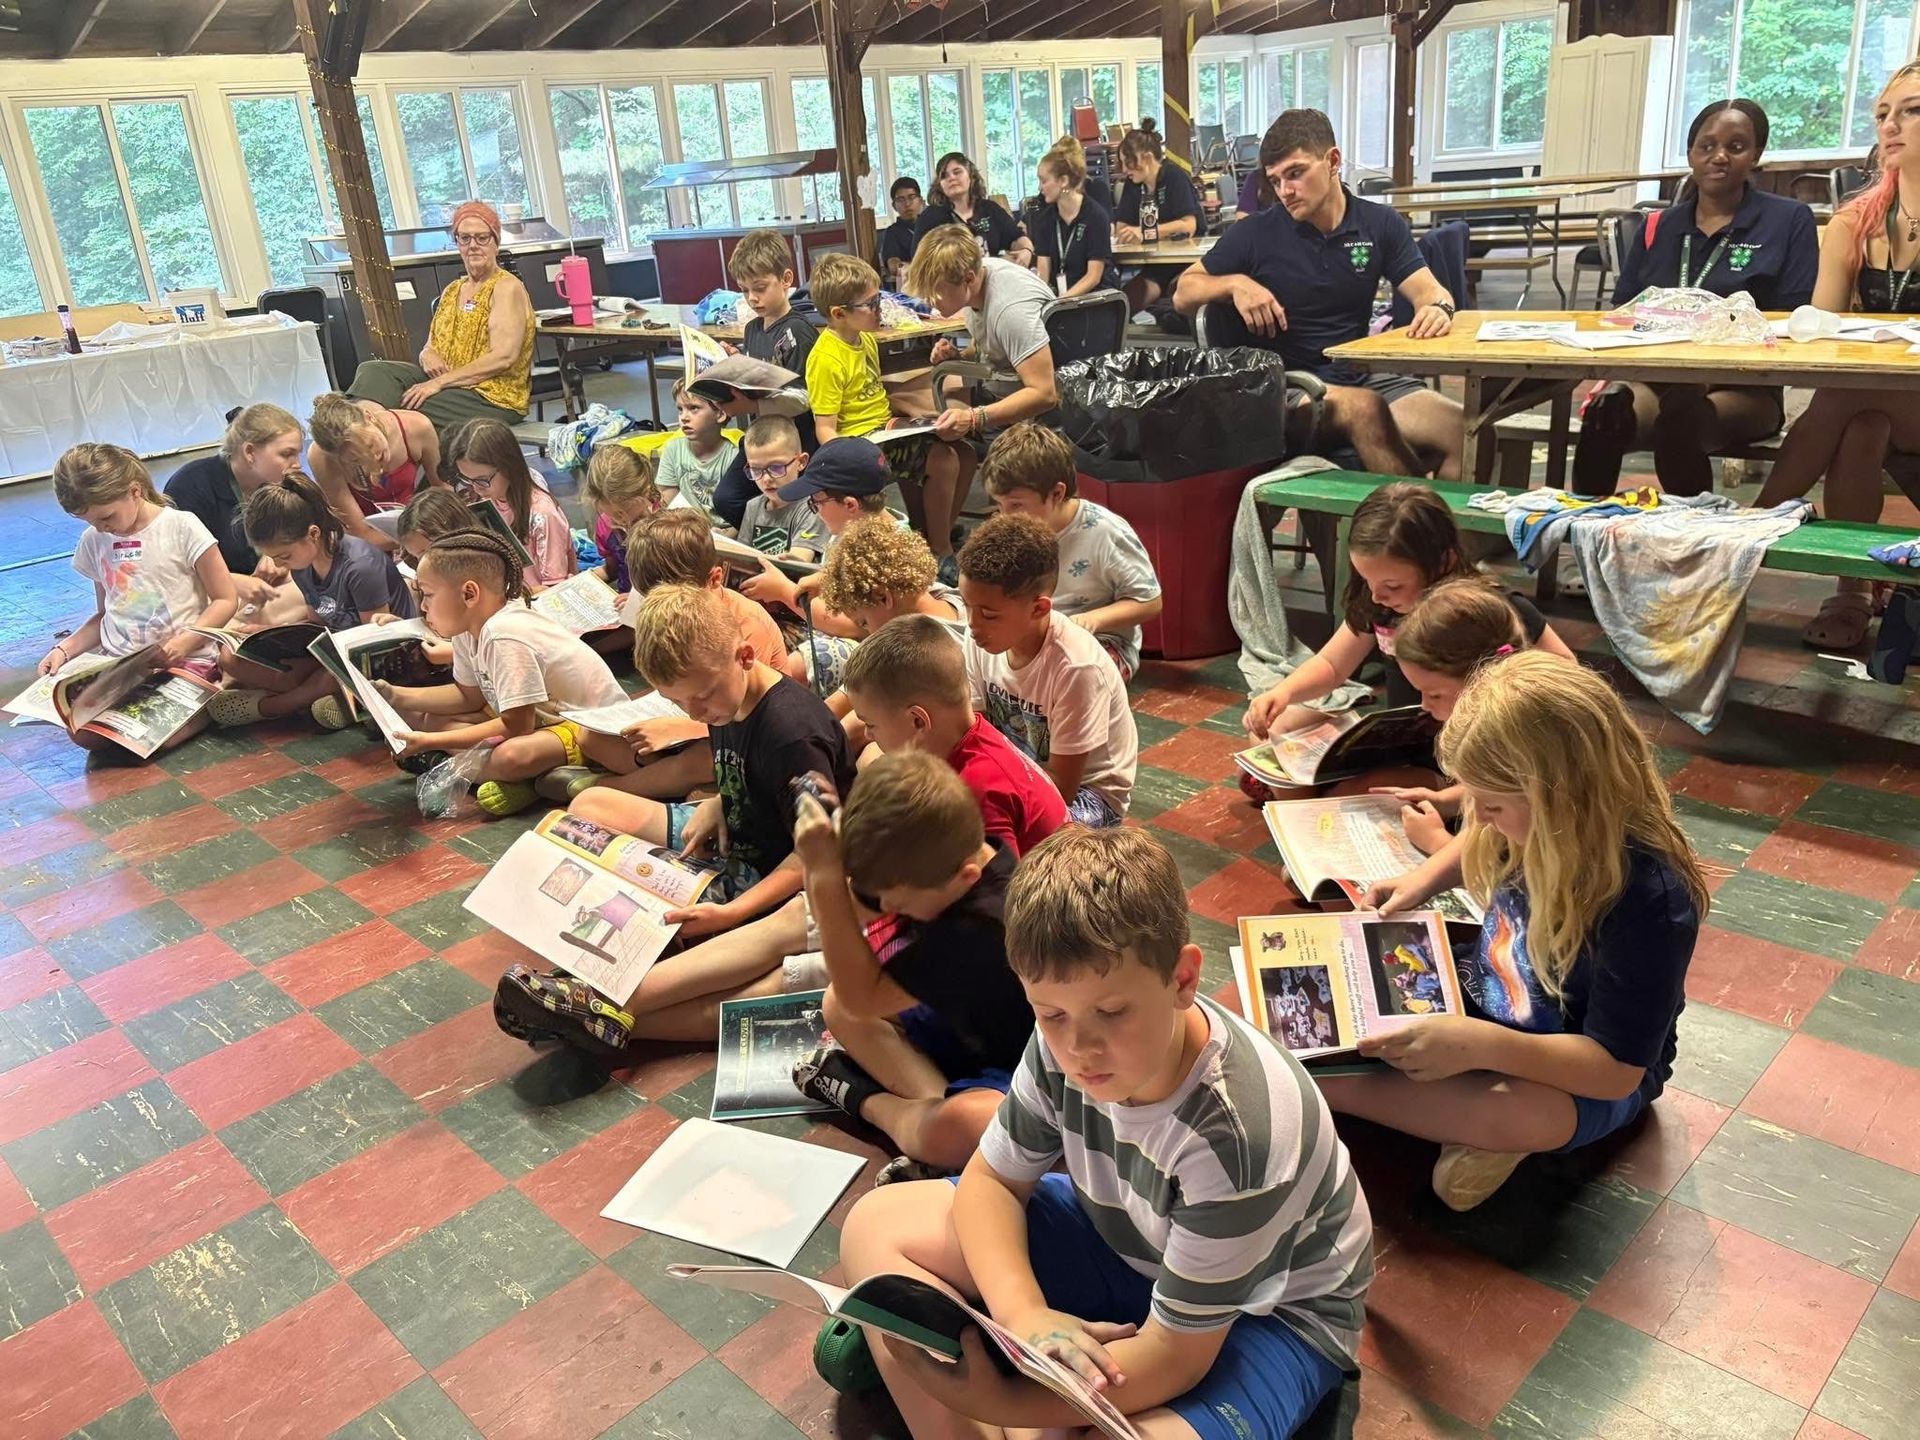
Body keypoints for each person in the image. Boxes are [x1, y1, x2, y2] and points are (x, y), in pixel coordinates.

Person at [834, 825, 1371, 1438]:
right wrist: (1026, 1314)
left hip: (1271, 1316)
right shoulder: (1064, 1041)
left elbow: (1176, 1357)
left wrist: (1006, 1405)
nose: (1079, 1047)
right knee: (876, 1226)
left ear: (1182, 979)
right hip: (1131, 1245)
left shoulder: (1241, 1136)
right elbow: (994, 1181)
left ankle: (998, 1396)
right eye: (1050, 1014)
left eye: (1112, 1012)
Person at [1323, 653, 1708, 1212]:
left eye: (1493, 803)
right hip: (1497, 992)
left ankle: (1324, 1089)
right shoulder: (1531, 821)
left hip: (1584, 1065)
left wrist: (1483, 1046)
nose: (1475, 814)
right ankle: (1464, 1127)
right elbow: (1475, 838)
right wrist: (1418, 882)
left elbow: (1617, 1070)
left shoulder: (1651, 899)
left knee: (1520, 1113)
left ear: (1560, 800)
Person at [1173, 109, 1465, 480]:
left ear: (1333, 161)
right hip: (1284, 393)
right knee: (1365, 410)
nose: (1285, 191)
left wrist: (1439, 309)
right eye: (1275, 180)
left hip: (1356, 377)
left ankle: (1446, 536)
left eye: (1295, 173)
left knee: (1462, 428)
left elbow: (1432, 292)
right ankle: (1424, 533)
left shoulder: (1380, 225)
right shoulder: (1255, 234)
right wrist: (1234, 284)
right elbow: (1184, 292)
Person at [563, 582, 858, 942]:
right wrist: (719, 803)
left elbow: (820, 851)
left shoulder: (791, 735)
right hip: (733, 828)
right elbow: (752, 774)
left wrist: (734, 912)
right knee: (586, 808)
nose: (694, 712)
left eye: (702, 697)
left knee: (657, 923)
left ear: (745, 656)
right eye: (678, 702)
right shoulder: (728, 699)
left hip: (767, 871)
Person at [790, 752, 1031, 1181]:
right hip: (966, 1032)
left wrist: (824, 875)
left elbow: (863, 996)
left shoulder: (983, 925)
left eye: (897, 903)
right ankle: (936, 1111)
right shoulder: (949, 855)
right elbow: (861, 919)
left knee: (972, 1125)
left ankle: (869, 1101)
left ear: (967, 877)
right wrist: (840, 838)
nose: (884, 910)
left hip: (1016, 1066)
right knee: (835, 1005)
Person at [1575, 99, 1818, 501]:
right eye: (1707, 146)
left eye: (1736, 146)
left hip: (1744, 385)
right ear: (1691, 153)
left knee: (1681, 418)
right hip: (1658, 376)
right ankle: (1581, 529)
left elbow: (1792, 315)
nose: (1719, 156)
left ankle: (1693, 548)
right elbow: (1621, 311)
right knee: (1605, 415)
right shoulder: (1658, 227)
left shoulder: (1788, 220)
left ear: (1756, 154)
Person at [1755, 59, 1920, 648]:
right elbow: (1821, 333)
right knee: (1861, 420)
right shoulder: (1857, 220)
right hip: (1883, 398)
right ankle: (1850, 593)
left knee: (1852, 395)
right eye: (1882, 114)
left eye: (1912, 110)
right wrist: (1842, 245)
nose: (1890, 126)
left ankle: (1746, 533)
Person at [1244, 482, 1574, 740]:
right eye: (1366, 579)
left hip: (1466, 741)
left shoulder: (1492, 612)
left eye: (1393, 585)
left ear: (1442, 562)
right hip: (1403, 733)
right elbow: (1332, 665)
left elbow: (1566, 672)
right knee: (1277, 728)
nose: (1376, 595)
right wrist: (1283, 692)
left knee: (1377, 788)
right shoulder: (1379, 605)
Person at [378, 531, 633, 816]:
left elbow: (517, 726)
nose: (423, 606)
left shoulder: (505, 634)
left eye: (428, 594)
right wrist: (393, 696)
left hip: (587, 725)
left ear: (469, 593)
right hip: (538, 719)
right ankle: (531, 781)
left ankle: (484, 770)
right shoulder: (466, 629)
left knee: (513, 756)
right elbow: (468, 696)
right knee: (430, 718)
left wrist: (431, 741)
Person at [958, 514, 1137, 827]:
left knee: (1023, 842)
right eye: (967, 605)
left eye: (988, 614)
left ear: (1039, 608)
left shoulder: (1076, 667)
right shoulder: (981, 639)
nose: (972, 624)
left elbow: (1062, 791)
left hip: (1089, 793)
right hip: (1015, 772)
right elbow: (976, 734)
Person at [44, 446, 237, 732]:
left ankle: (212, 700)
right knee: (86, 732)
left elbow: (225, 599)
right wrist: (65, 649)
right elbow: (105, 614)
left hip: (186, 660)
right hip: (119, 667)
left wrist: (183, 643)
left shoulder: (182, 526)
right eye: (89, 521)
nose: (100, 528)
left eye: (106, 517)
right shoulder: (94, 539)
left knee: (153, 732)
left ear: (135, 492)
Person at [840, 613, 1065, 856]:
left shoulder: (976, 793)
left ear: (918, 721)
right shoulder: (970, 738)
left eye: (871, 724)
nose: (868, 734)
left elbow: (997, 889)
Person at [805, 252, 970, 573]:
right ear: (839, 313)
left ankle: (926, 539)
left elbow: (876, 398)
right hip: (859, 443)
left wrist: (913, 422)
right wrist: (848, 463)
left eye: (878, 298)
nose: (880, 307)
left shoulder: (864, 338)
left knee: (964, 452)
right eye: (871, 304)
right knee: (942, 459)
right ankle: (940, 549)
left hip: (884, 427)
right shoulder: (825, 357)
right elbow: (825, 429)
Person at [212, 473, 417, 729]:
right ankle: (339, 700)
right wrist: (266, 635)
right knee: (231, 658)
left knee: (328, 676)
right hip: (335, 648)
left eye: (283, 555)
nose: (277, 565)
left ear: (313, 534)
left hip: (378, 656)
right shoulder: (302, 565)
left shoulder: (360, 566)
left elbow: (373, 645)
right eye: (272, 557)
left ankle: (276, 706)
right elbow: (316, 624)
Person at [1371, 578, 1543, 858]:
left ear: (1483, 677)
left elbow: (1509, 870)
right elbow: (1485, 794)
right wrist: (1442, 801)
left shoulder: (1517, 743)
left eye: (1435, 694)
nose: (1425, 706)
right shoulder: (1503, 723)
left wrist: (1437, 842)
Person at [982, 421, 1162, 680]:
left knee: (1072, 674)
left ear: (1056, 493)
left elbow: (1150, 601)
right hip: (1028, 633)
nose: (1006, 516)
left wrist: (1089, 621)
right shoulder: (1010, 528)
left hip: (1099, 641)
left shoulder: (1104, 532)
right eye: (999, 505)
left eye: (1016, 505)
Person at [342, 199, 535, 435]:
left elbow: (503, 357)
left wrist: (437, 383)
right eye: (465, 238)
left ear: (496, 242)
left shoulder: (506, 287)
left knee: (409, 405)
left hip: (490, 396)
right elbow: (431, 345)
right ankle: (365, 432)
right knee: (374, 370)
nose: (473, 245)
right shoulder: (453, 290)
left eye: (482, 237)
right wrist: (427, 355)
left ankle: (370, 439)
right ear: (457, 243)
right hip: (451, 386)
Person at [703, 230, 828, 531]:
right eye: (745, 290)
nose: (752, 298)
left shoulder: (798, 330)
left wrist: (753, 404)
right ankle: (768, 532)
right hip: (759, 437)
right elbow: (758, 371)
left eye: (760, 288)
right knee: (725, 499)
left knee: (787, 498)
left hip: (794, 438)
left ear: (786, 279)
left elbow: (805, 398)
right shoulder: (753, 329)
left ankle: (788, 535)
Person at [908, 224, 1063, 457]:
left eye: (937, 292)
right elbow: (995, 345)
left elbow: (1045, 393)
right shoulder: (982, 274)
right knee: (897, 393)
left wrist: (974, 418)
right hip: (1002, 383)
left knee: (903, 403)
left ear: (968, 279)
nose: (930, 301)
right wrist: (959, 355)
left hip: (1023, 404)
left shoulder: (1010, 311)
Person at [165, 403, 304, 581]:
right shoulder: (189, 487)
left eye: (298, 454)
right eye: (286, 454)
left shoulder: (284, 485)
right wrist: (239, 584)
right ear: (250, 452)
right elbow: (181, 568)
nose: (297, 464)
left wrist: (277, 556)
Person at [444, 418, 576, 589]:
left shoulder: (542, 515)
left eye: (482, 480)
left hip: (535, 600)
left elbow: (554, 587)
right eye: (467, 479)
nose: (476, 488)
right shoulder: (492, 496)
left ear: (508, 467)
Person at [306, 391, 442, 553]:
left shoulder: (417, 426)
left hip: (420, 532)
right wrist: (415, 542)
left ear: (369, 417)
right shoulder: (321, 457)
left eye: (370, 445)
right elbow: (358, 533)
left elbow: (442, 487)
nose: (373, 459)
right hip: (373, 543)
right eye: (356, 460)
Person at [1112, 126, 1201, 313]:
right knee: (1122, 304)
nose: (1125, 169)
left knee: (1176, 295)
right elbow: (1121, 225)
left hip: (1184, 263)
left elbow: (1189, 225)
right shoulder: (1133, 184)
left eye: (1129, 162)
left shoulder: (1174, 177)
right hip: (1154, 267)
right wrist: (1128, 233)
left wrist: (1146, 233)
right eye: (1122, 163)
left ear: (1147, 157)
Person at [736, 415, 829, 561]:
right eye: (756, 469)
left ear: (801, 462)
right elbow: (741, 558)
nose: (766, 478)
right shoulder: (753, 506)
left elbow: (798, 562)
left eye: (776, 467)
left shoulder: (813, 506)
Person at [1031, 142, 1116, 298]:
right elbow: (1043, 272)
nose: (1040, 188)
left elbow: (1093, 277)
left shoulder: (1095, 217)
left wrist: (1062, 302)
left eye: (1044, 181)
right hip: (1062, 299)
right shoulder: (1045, 220)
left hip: (1095, 298)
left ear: (1063, 181)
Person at [580, 444, 664, 595]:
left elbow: (678, 585)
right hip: (623, 602)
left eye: (622, 512)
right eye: (611, 514)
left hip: (660, 606)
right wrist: (582, 581)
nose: (618, 521)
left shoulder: (666, 526)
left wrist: (639, 601)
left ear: (645, 493)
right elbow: (612, 569)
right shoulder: (605, 525)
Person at [657, 379, 739, 525]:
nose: (684, 417)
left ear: (720, 414)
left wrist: (727, 535)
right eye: (680, 409)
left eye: (694, 408)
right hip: (687, 530)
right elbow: (668, 504)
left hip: (725, 534)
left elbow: (743, 515)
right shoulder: (673, 450)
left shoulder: (733, 457)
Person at [913, 152, 1021, 258]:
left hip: (992, 273)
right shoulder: (929, 217)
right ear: (940, 185)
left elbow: (1017, 237)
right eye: (944, 176)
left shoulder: (990, 209)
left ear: (971, 176)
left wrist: (1027, 250)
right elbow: (918, 259)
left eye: (957, 172)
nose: (951, 178)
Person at [879, 177, 925, 286]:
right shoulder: (892, 233)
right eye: (901, 199)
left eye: (911, 197)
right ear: (894, 206)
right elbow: (894, 267)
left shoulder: (931, 226)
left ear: (920, 200)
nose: (907, 204)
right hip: (911, 286)